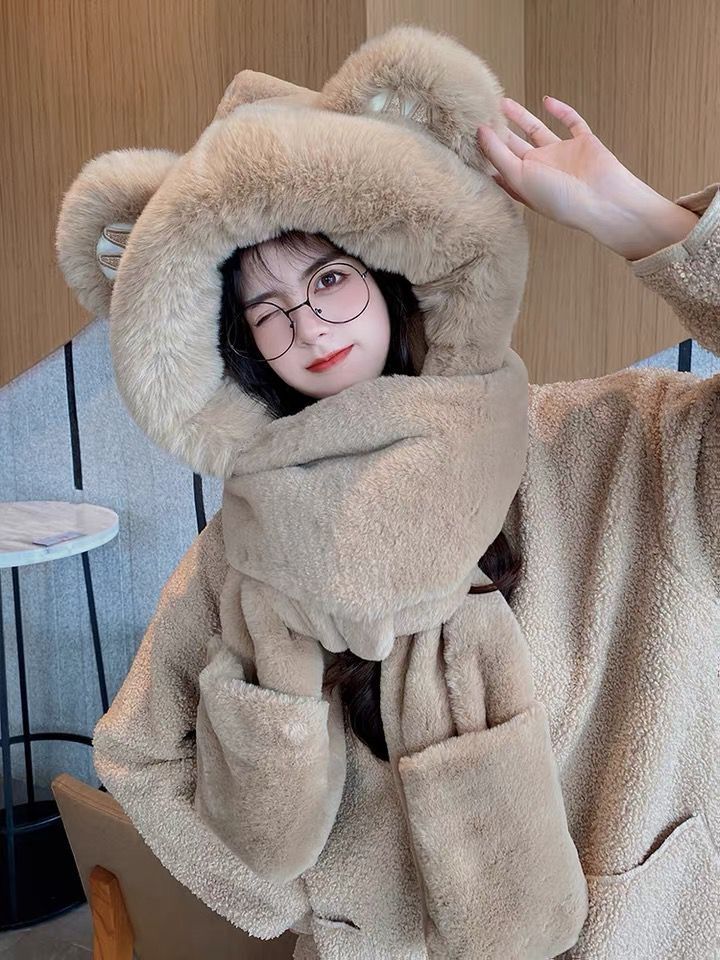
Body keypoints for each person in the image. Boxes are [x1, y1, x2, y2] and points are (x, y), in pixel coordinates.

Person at [55, 24, 718, 960]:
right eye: (267, 310)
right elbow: (139, 755)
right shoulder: (247, 547)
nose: (307, 324)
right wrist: (306, 907)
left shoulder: (611, 447)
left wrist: (640, 221)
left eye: (330, 278)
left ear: (392, 276)